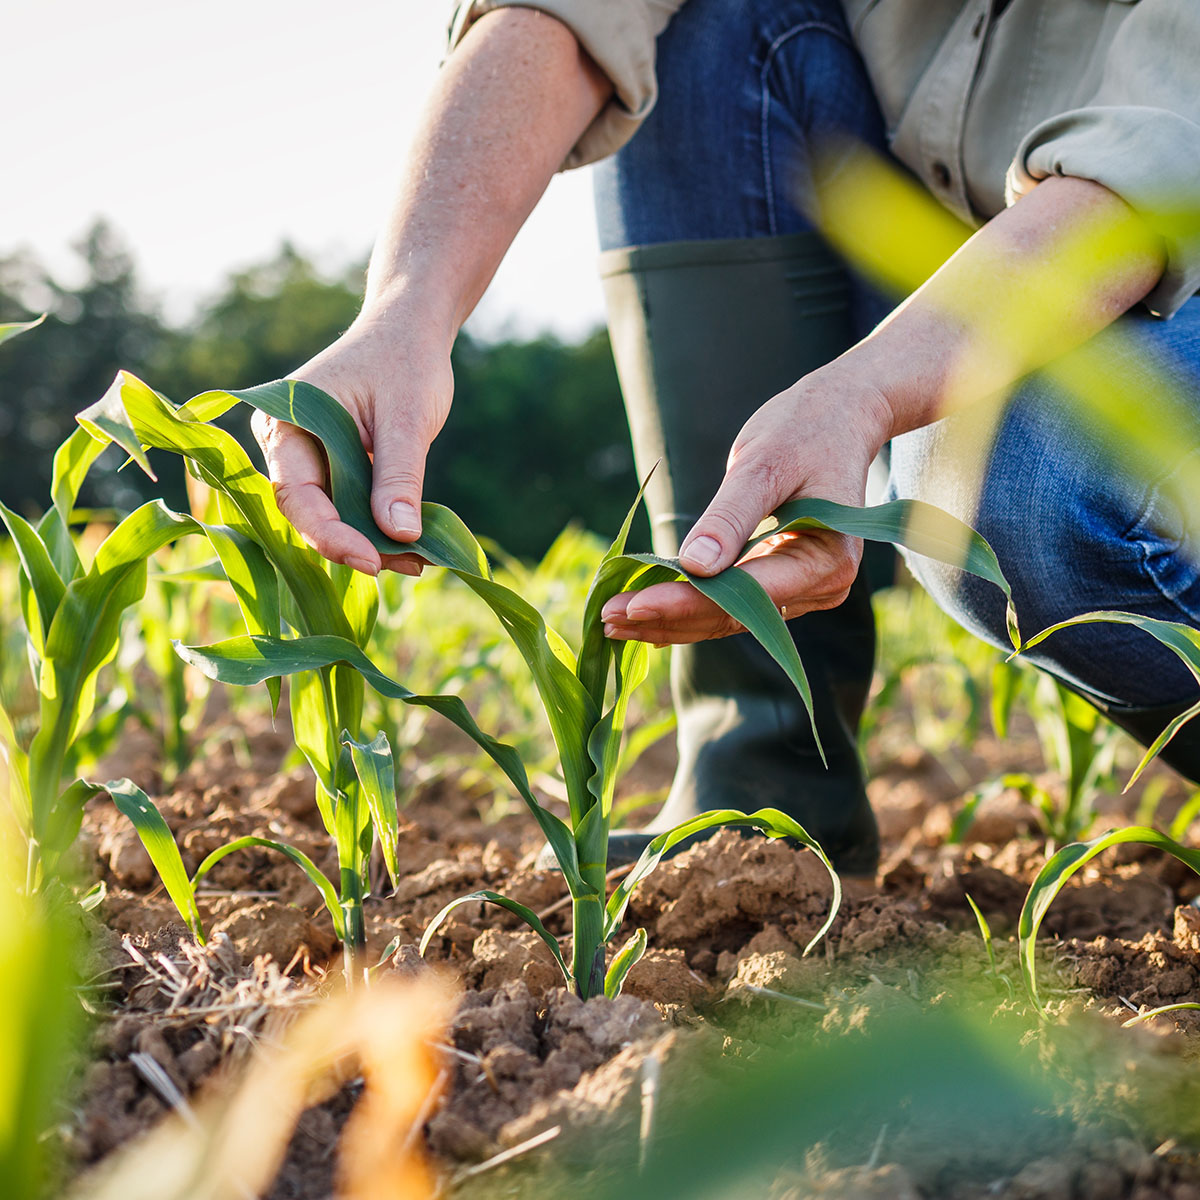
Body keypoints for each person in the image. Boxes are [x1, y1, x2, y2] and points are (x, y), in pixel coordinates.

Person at [252, 0, 1200, 875]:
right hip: (962, 258)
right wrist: (406, 313)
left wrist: (868, 393)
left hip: (1158, 250)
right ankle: (764, 790)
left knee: (1012, 480)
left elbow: (1162, 155)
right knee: (715, 22)